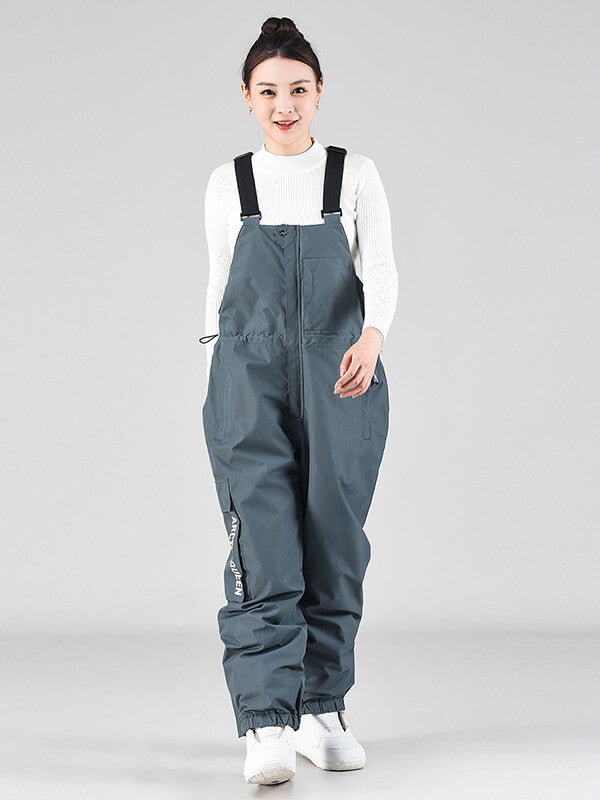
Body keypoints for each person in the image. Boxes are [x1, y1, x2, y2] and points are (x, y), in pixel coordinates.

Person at [199, 16, 398, 785]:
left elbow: (381, 268)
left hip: (342, 372)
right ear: (246, 97)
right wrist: (218, 382)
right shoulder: (230, 182)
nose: (284, 105)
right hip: (246, 378)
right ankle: (267, 723)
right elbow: (217, 282)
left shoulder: (353, 174)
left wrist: (372, 338)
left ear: (319, 93)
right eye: (268, 91)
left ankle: (322, 710)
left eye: (298, 89)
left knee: (335, 542)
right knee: (263, 544)